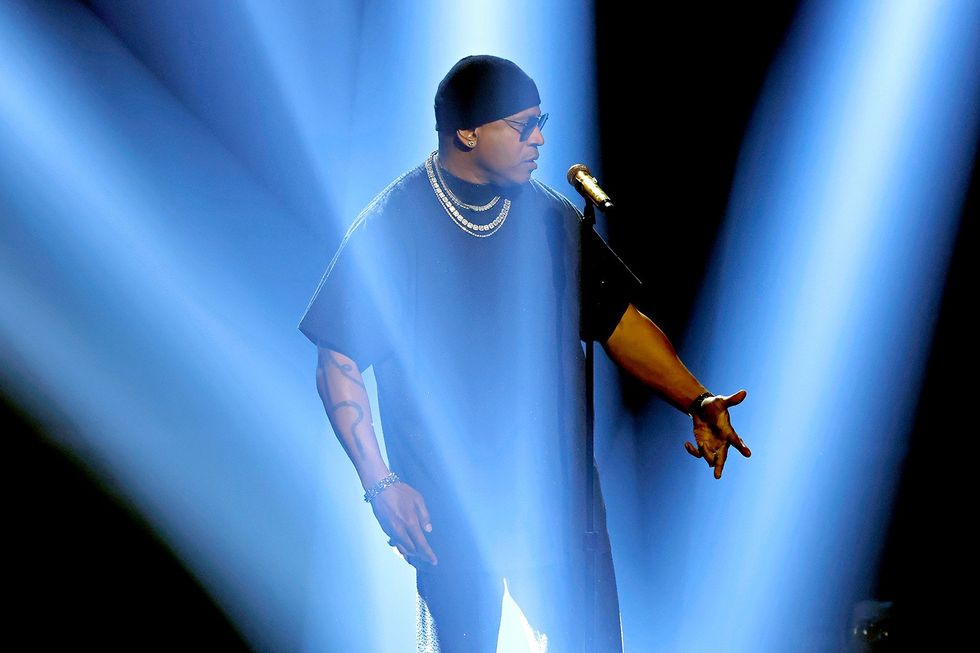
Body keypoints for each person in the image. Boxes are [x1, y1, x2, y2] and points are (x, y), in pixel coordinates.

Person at [298, 55, 750, 653]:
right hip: (451, 502)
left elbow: (618, 324)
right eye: (523, 125)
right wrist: (381, 485)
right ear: (467, 132)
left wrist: (696, 397)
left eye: (542, 121)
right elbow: (339, 360)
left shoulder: (547, 218)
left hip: (557, 503)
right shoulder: (395, 222)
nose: (540, 139)